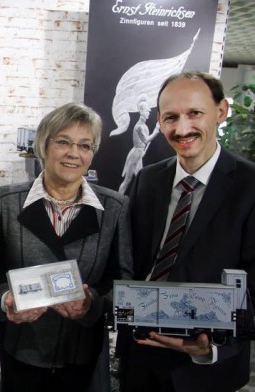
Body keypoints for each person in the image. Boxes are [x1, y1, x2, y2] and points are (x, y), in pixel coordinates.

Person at [0, 102, 133, 392]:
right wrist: (5, 299)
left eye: (85, 145)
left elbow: (122, 277)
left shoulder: (114, 207)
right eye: (63, 141)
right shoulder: (5, 201)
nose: (74, 153)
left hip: (81, 352)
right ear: (43, 145)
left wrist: (92, 304)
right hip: (20, 348)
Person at [117, 71, 255, 392]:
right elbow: (131, 262)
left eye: (195, 113)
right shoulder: (147, 180)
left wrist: (213, 347)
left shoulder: (250, 186)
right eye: (170, 117)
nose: (182, 129)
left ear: (221, 112)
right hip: (140, 353)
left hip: (206, 367)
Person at [118, 95, 160, 194]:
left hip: (139, 153)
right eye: (147, 111)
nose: (149, 112)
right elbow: (146, 140)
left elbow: (145, 143)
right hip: (135, 155)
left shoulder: (143, 125)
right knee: (128, 180)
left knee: (140, 179)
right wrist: (156, 131)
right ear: (141, 111)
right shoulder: (139, 127)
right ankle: (118, 200)